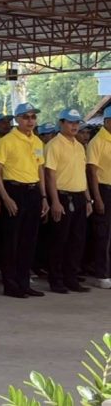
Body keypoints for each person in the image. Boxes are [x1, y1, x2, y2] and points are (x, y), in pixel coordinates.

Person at [0, 102, 47, 298]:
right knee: (11, 240)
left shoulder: (37, 142)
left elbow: (40, 169)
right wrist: (5, 197)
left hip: (33, 191)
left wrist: (44, 196)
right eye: (26, 117)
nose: (30, 121)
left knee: (29, 240)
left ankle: (24, 282)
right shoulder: (7, 141)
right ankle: (11, 284)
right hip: (14, 190)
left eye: (33, 117)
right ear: (17, 119)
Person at [44, 108, 92, 293]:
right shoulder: (54, 145)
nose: (74, 126)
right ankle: (56, 280)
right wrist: (55, 201)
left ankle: (71, 278)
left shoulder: (79, 146)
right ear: (61, 123)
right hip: (63, 196)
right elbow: (50, 175)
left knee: (77, 240)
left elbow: (82, 174)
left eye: (77, 122)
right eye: (71, 122)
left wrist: (87, 199)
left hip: (79, 196)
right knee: (60, 240)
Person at [86, 107, 111, 289]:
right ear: (107, 122)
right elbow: (92, 172)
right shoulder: (98, 142)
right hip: (103, 189)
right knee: (103, 234)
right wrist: (97, 197)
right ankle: (102, 273)